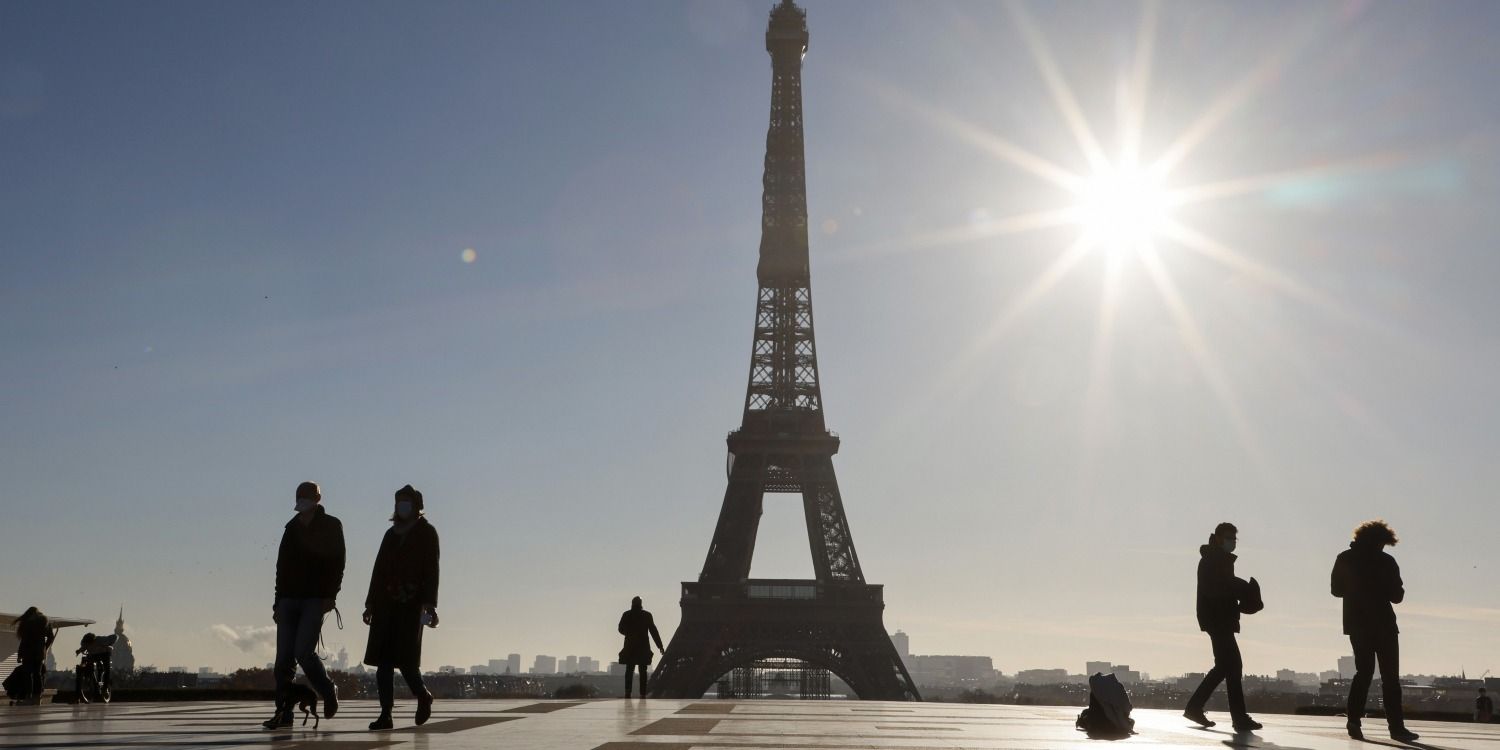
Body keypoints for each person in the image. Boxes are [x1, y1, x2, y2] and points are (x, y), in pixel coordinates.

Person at [264, 481, 345, 730]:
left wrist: (330, 595)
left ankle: (327, 689)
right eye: (300, 496)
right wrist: (277, 602)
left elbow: (338, 562)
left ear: (317, 499)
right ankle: (284, 711)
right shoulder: (291, 528)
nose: (303, 500)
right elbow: (281, 567)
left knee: (303, 652)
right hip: (288, 599)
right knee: (283, 660)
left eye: (307, 496)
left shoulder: (331, 525)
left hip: (314, 599)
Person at [362, 484, 440, 731]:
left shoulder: (427, 533)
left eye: (406, 502)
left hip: (412, 604)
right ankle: (385, 713)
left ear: (416, 506)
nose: (401, 506)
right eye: (399, 502)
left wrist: (429, 604)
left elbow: (432, 570)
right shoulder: (390, 534)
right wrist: (370, 603)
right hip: (385, 603)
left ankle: (423, 695)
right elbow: (378, 570)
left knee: (407, 660)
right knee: (384, 663)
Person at [1332, 519, 1417, 742]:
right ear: (1380, 541)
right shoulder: (1386, 561)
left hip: (1357, 624)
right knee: (1390, 678)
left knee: (1363, 673)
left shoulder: (1344, 558)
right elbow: (1397, 596)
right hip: (1384, 624)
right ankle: (1396, 728)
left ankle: (1353, 721)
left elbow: (1336, 590)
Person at [1183, 522, 1263, 732]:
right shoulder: (1212, 560)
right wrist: (1241, 588)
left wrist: (1239, 590)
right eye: (1229, 538)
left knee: (1224, 667)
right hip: (1217, 619)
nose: (1232, 542)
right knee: (1233, 666)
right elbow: (1215, 589)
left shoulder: (1219, 559)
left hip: (1219, 618)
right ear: (1218, 538)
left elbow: (1223, 587)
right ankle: (1238, 717)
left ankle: (1195, 707)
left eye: (1234, 539)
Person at [617, 596, 664, 698]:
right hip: (643, 647)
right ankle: (642, 693)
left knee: (629, 670)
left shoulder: (627, 614)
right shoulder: (647, 615)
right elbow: (653, 631)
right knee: (643, 671)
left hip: (630, 646)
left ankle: (628, 692)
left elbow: (620, 629)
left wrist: (629, 634)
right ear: (641, 604)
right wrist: (660, 646)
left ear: (632, 603)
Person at [11, 607, 55, 705]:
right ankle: (37, 698)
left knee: (28, 674)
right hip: (39, 652)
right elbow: (51, 637)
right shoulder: (45, 622)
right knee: (37, 674)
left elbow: (24, 641)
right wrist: (45, 647)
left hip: (28, 652)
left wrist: (20, 654)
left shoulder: (28, 623)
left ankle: (29, 697)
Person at [74, 632, 119, 703]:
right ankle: (92, 677)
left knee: (107, 669)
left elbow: (115, 636)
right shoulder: (85, 643)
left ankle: (105, 688)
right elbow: (83, 647)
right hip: (94, 655)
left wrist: (109, 644)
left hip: (104, 654)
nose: (89, 645)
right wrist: (79, 651)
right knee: (88, 663)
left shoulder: (100, 640)